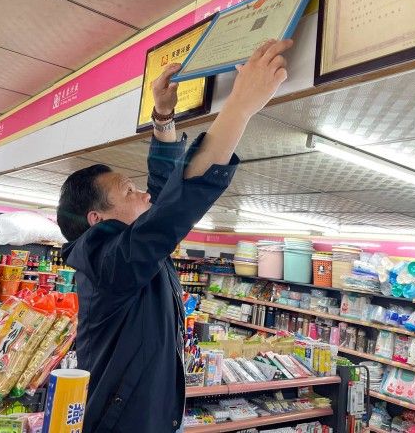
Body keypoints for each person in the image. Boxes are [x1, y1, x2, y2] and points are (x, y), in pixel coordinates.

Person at [58, 38, 293, 433]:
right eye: (128, 191)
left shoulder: (123, 257)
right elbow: (169, 210)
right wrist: (239, 105)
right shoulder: (106, 262)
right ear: (97, 219)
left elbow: (161, 196)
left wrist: (164, 118)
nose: (143, 194)